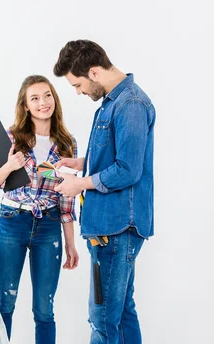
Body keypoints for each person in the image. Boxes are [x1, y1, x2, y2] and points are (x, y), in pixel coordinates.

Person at [52, 40, 155, 344]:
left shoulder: (130, 104)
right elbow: (115, 158)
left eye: (77, 84)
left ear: (94, 72)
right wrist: (81, 164)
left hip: (116, 227)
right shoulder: (113, 103)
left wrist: (78, 184)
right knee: (121, 313)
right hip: (108, 226)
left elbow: (127, 169)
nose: (78, 92)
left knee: (103, 319)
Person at [0, 74, 79, 343]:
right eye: (34, 98)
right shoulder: (11, 138)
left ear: (54, 99)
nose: (42, 102)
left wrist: (70, 244)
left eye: (47, 95)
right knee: (5, 302)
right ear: (25, 105)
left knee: (44, 310)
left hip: (48, 227)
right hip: (12, 221)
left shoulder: (66, 143)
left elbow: (67, 201)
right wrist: (10, 166)